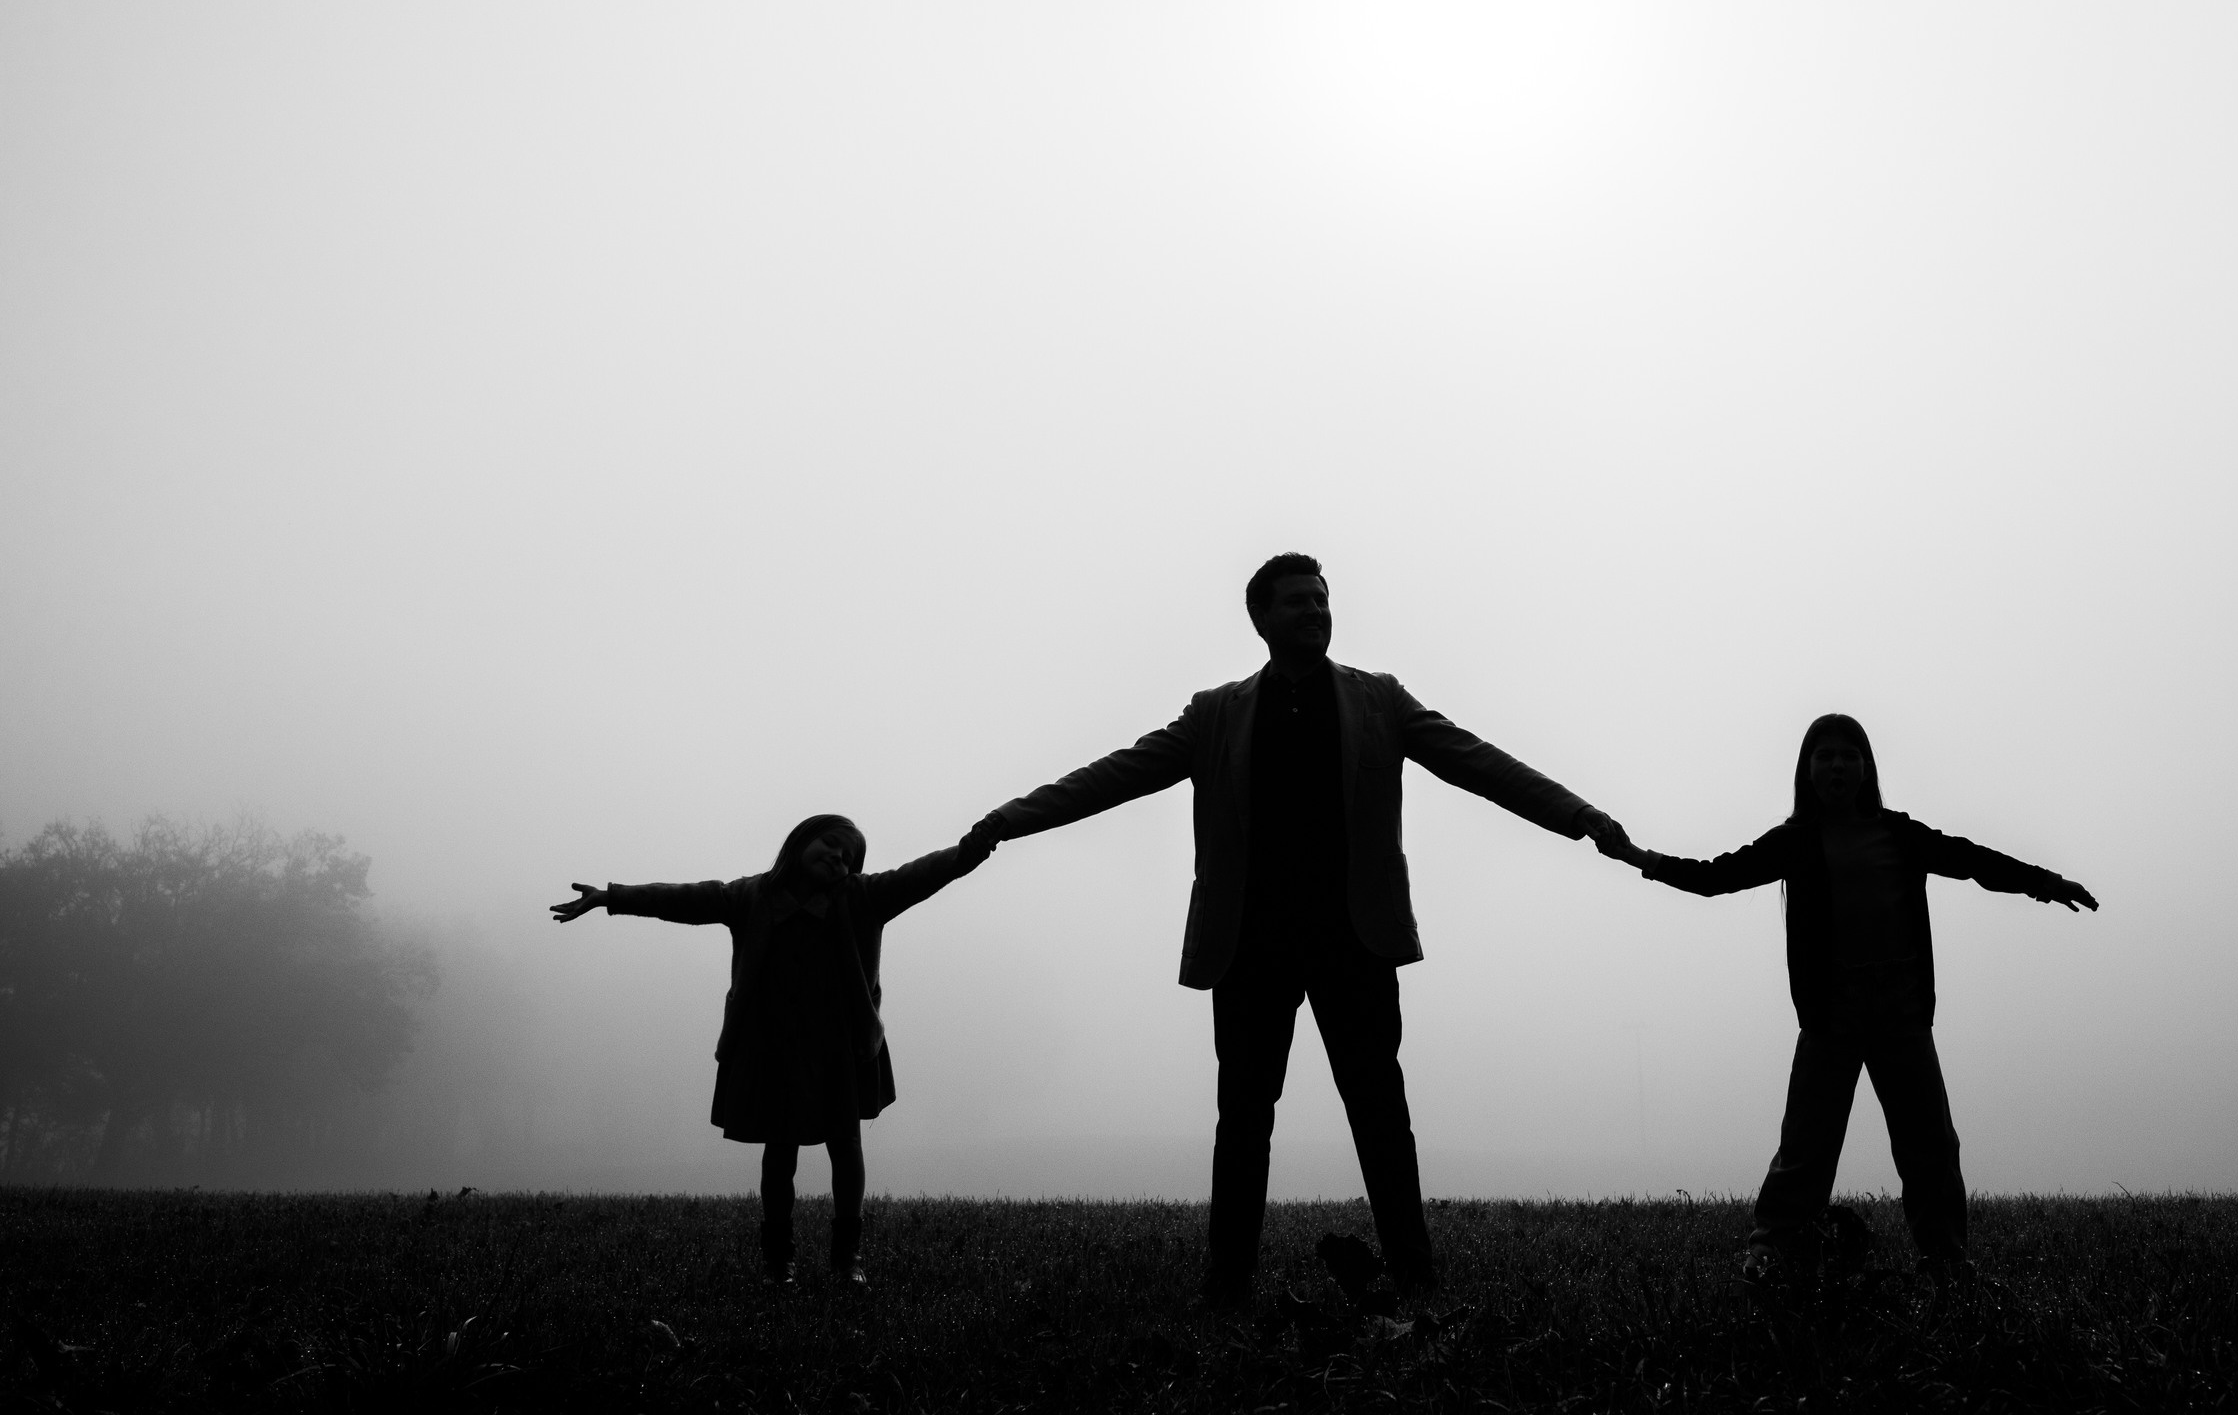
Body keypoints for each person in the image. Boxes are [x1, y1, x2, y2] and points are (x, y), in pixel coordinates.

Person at [972, 552, 1632, 1307]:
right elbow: (1115, 774)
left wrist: (1578, 817)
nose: (1315, 612)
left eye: (1322, 601)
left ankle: (1415, 1271)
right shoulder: (1215, 713)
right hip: (1250, 944)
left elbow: (1477, 762)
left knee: (1380, 1110)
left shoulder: (1379, 701)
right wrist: (1011, 820)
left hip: (1354, 940)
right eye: (1297, 603)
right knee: (1243, 1116)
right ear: (1260, 618)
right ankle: (1228, 1280)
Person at [1600, 713, 2097, 1283]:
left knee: (1929, 1146)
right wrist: (1642, 859)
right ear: (1807, 771)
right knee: (1806, 1148)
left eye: (1848, 754)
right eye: (1824, 755)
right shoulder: (1794, 843)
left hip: (1902, 1011)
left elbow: (1973, 861)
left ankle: (1945, 1264)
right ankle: (1770, 1255)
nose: (1837, 765)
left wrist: (2046, 883)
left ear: (1866, 768)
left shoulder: (1900, 834)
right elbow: (1717, 877)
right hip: (1831, 1013)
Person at [550, 813, 996, 1287]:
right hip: (772, 1045)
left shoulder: (865, 897)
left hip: (839, 1046)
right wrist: (611, 898)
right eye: (830, 843)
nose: (838, 857)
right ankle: (778, 1261)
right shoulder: (749, 896)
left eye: (849, 856)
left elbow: (924, 873)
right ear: (801, 841)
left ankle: (848, 1261)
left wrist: (971, 849)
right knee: (779, 1149)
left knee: (845, 1145)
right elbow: (683, 899)